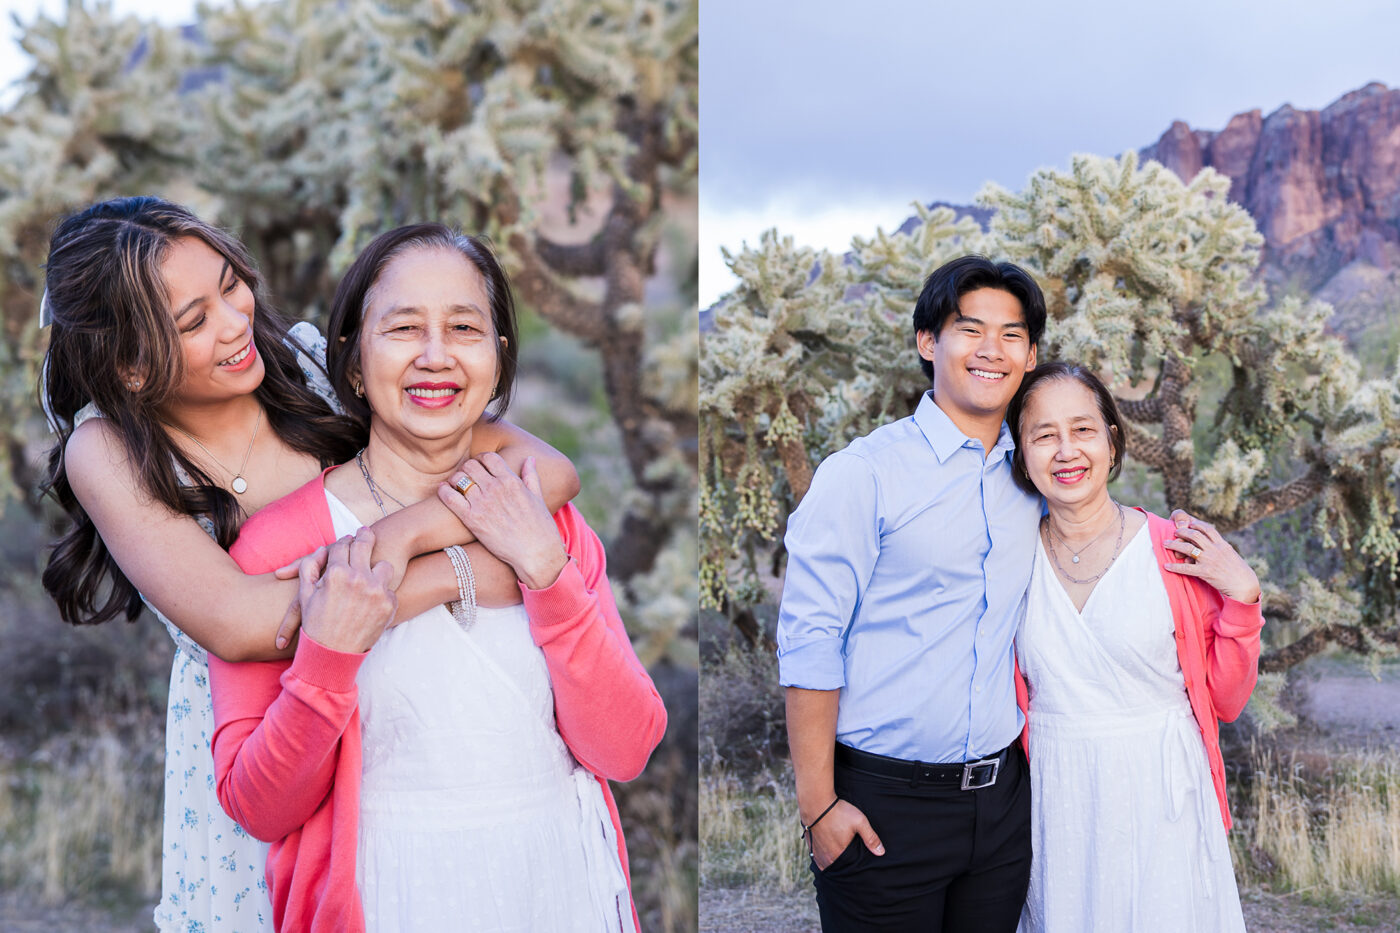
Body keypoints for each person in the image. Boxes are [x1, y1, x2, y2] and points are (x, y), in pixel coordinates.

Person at [39, 197, 579, 932]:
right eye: (194, 321)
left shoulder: (305, 362)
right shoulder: (107, 450)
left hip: (393, 713)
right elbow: (244, 623)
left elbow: (548, 473)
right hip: (262, 734)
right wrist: (457, 571)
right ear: (132, 364)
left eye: (232, 284)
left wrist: (402, 534)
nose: (235, 322)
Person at [207, 223, 666, 932]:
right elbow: (258, 806)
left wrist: (546, 568)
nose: (436, 355)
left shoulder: (546, 514)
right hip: (386, 893)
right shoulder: (287, 542)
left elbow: (626, 747)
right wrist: (327, 657)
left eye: (464, 327)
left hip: (558, 885)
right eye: (402, 328)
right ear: (355, 362)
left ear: (497, 358)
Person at [777, 255, 1045, 932]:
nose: (992, 349)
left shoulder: (1035, 480)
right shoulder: (863, 475)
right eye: (970, 328)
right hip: (882, 805)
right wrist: (818, 808)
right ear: (929, 342)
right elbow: (810, 641)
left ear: (1031, 354)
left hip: (1003, 805)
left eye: (1012, 334)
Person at [1005, 362, 1260, 932]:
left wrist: (1243, 599)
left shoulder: (1173, 549)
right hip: (1057, 791)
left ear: (1113, 440)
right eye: (1044, 435)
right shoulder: (1006, 557)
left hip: (1161, 787)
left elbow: (1225, 699)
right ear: (1021, 453)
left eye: (1083, 430)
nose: (1066, 451)